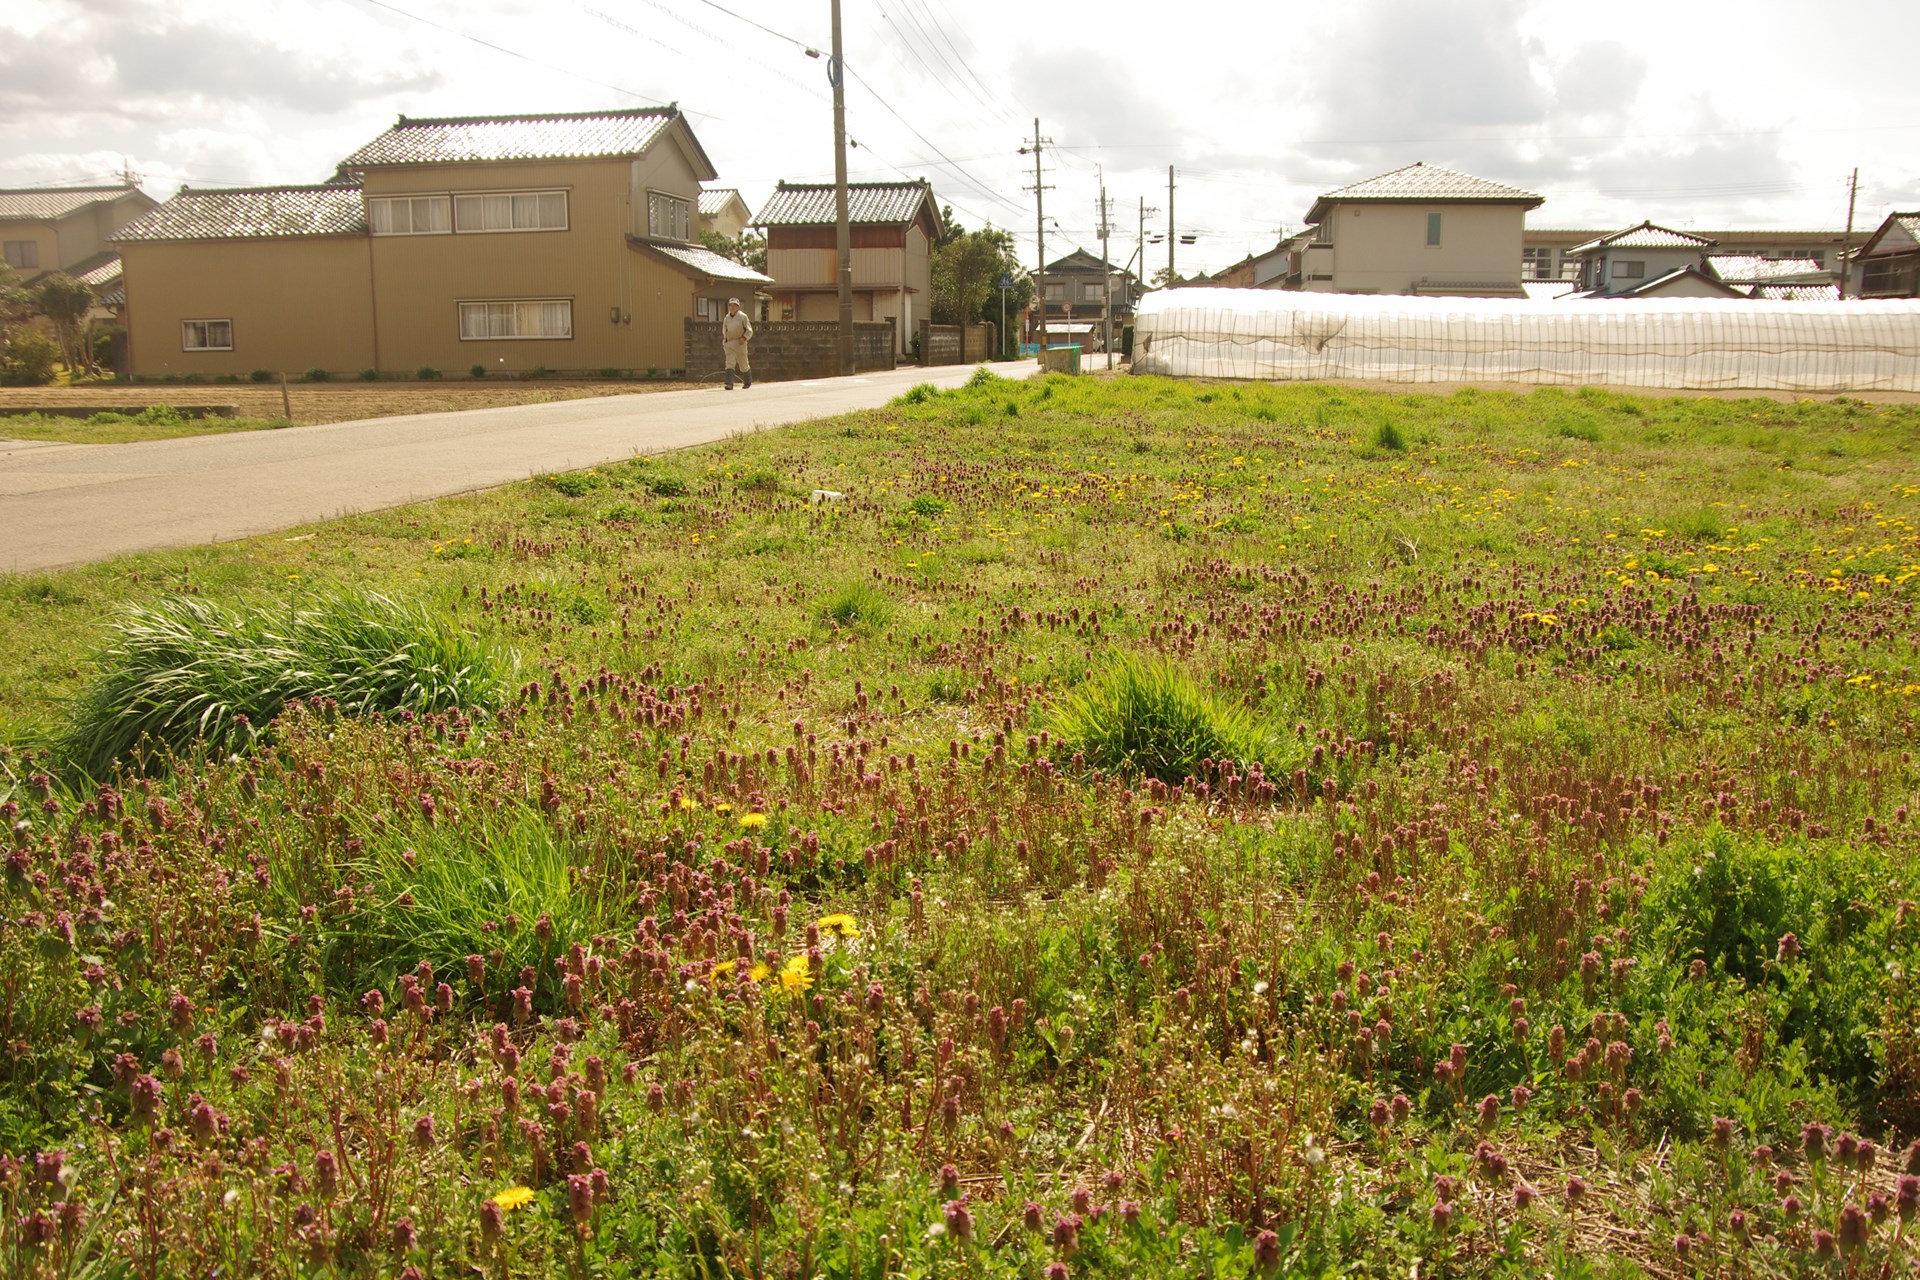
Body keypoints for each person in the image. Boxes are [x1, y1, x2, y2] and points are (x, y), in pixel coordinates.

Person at [721, 298, 753, 390]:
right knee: (729, 363)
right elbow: (724, 330)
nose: (732, 307)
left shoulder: (743, 317)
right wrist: (725, 341)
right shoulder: (726, 318)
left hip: (740, 343)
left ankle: (747, 381)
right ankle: (729, 383)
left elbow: (749, 330)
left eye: (734, 305)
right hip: (730, 343)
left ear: (738, 307)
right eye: (730, 305)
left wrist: (744, 337)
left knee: (743, 363)